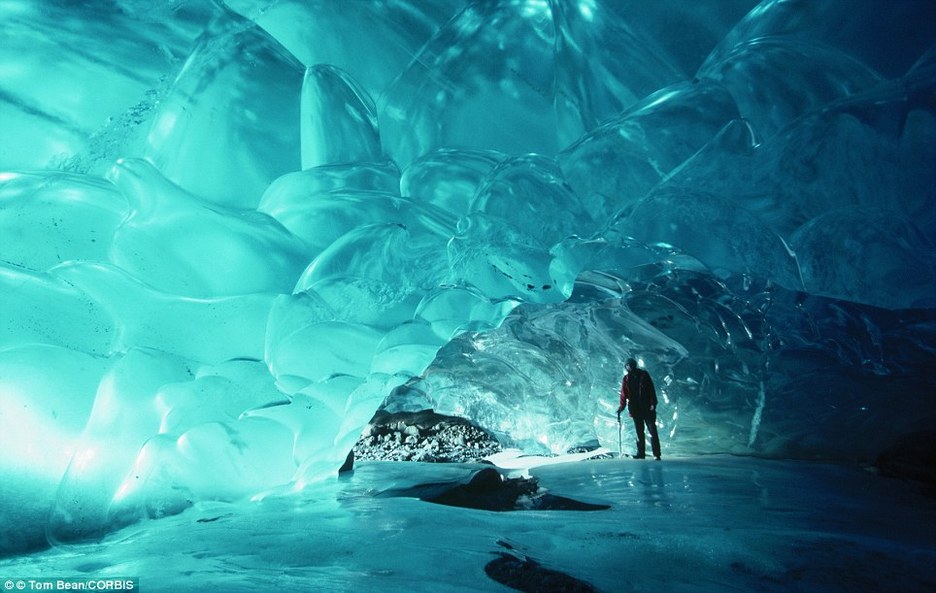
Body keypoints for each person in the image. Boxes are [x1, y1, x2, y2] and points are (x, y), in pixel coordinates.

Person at [617, 358, 661, 460]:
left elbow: (651, 389)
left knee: (652, 431)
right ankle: (641, 453)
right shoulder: (626, 379)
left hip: (647, 408)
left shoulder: (643, 375)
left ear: (634, 365)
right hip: (635, 409)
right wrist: (621, 407)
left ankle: (657, 454)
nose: (629, 366)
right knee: (639, 432)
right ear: (626, 367)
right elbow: (624, 395)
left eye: (631, 364)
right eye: (628, 365)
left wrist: (653, 403)